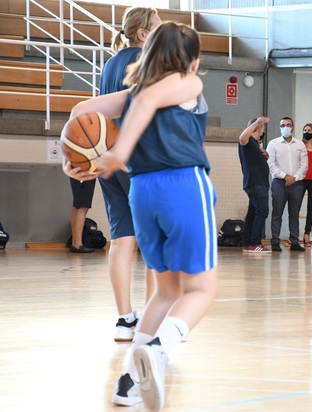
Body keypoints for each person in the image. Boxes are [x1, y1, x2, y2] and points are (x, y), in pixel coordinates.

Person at [66, 22, 217, 409]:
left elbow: (82, 110)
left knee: (167, 290)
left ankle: (129, 381)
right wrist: (116, 155)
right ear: (193, 61)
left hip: (144, 193)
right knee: (201, 289)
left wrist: (77, 161)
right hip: (181, 186)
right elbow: (151, 101)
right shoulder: (189, 82)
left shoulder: (131, 94)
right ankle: (159, 349)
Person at [64, 7, 162, 342]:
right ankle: (151, 322)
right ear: (143, 34)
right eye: (159, 26)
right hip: (139, 159)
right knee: (153, 242)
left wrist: (76, 158)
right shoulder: (148, 63)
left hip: (107, 159)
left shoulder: (109, 63)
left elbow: (90, 113)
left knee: (121, 239)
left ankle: (125, 320)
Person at [266, 117, 308, 252]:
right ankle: (275, 242)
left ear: (293, 127)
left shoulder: (300, 144)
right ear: (279, 128)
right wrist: (285, 176)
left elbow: (304, 165)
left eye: (288, 125)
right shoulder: (273, 144)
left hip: (297, 182)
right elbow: (270, 164)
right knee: (277, 212)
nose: (285, 127)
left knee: (294, 213)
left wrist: (294, 178)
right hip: (279, 182)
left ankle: (294, 241)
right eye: (282, 125)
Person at [238, 117, 271, 254]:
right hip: (256, 183)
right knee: (263, 212)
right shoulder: (247, 141)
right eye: (262, 127)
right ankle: (255, 243)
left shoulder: (255, 145)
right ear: (259, 129)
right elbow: (241, 138)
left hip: (258, 183)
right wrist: (258, 122)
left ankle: (247, 243)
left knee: (252, 213)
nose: (263, 130)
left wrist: (265, 155)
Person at [68, 178, 96, 253]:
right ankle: (77, 244)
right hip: (84, 170)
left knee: (77, 206)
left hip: (82, 170)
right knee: (82, 206)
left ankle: (75, 242)